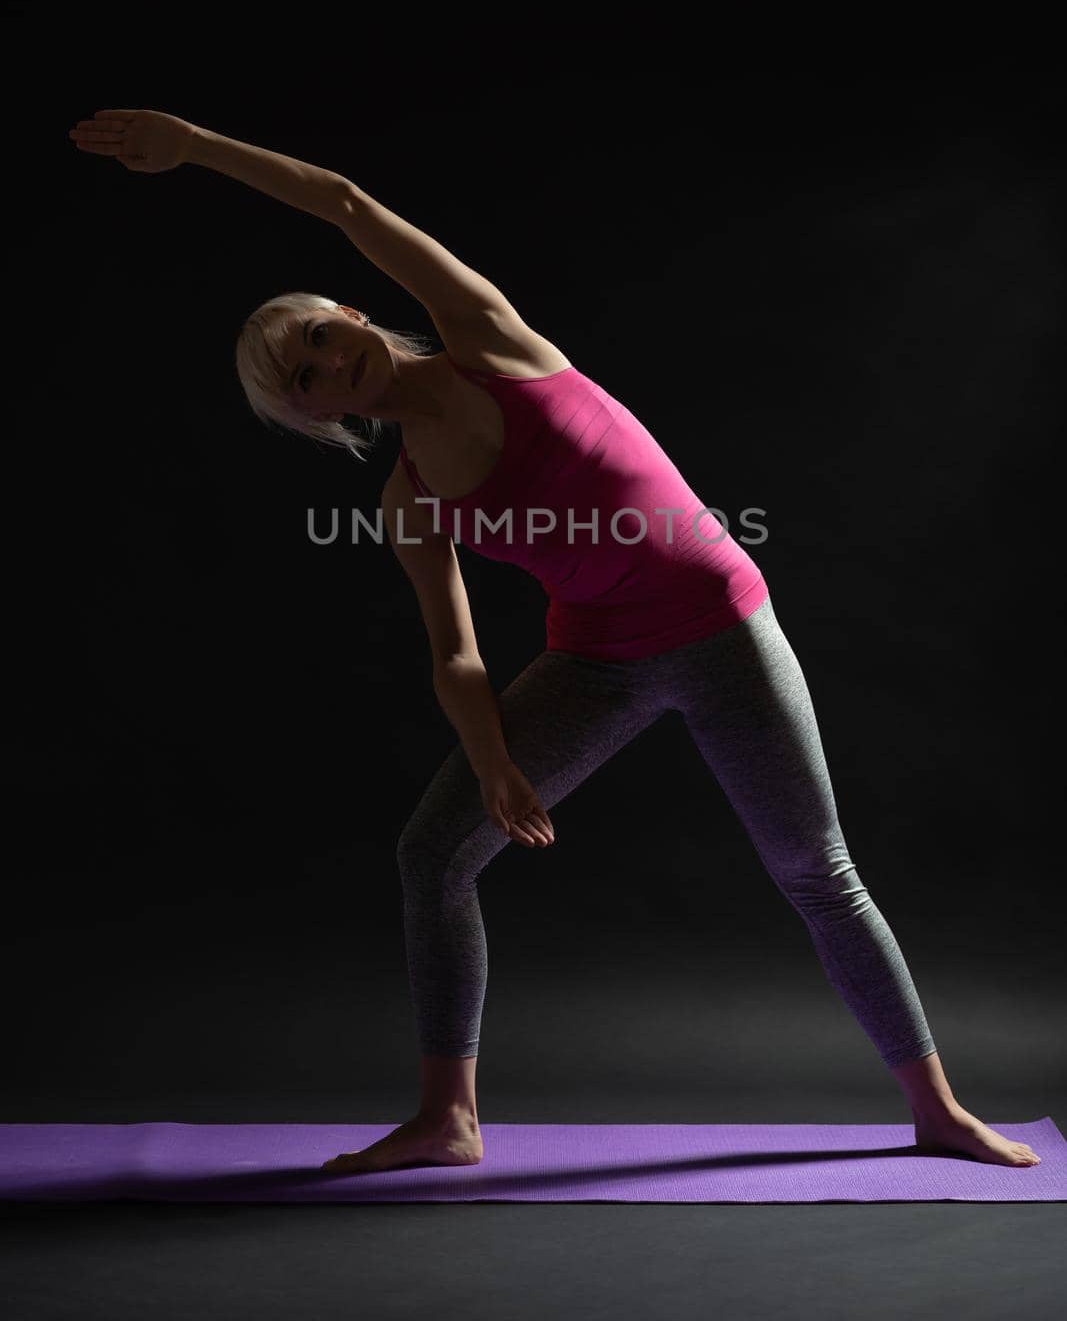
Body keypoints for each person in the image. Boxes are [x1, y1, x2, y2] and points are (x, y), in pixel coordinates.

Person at [69, 107, 1041, 1174]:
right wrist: (491, 761)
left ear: (348, 315)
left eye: (314, 340)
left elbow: (342, 201)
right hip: (596, 660)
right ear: (306, 414)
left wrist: (197, 148)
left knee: (815, 868)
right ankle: (449, 1117)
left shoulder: (487, 338)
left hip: (719, 625)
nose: (321, 367)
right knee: (431, 852)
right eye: (297, 381)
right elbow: (455, 652)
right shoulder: (408, 494)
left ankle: (936, 1108)